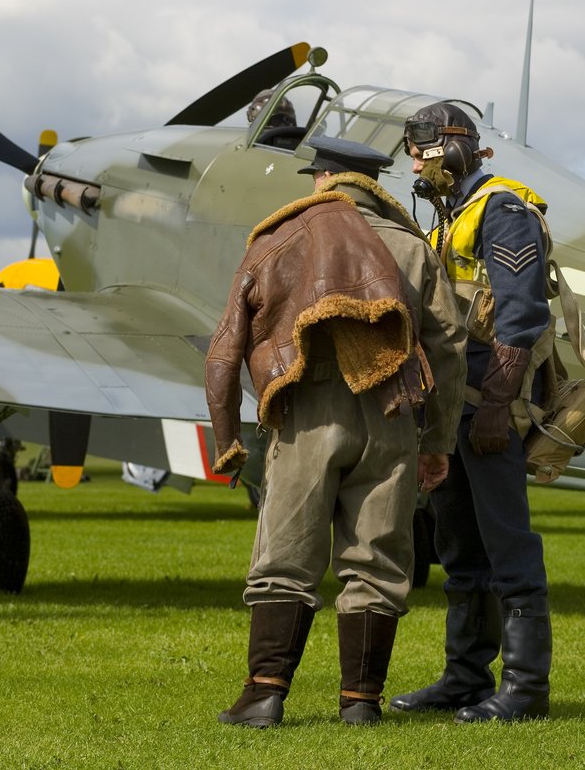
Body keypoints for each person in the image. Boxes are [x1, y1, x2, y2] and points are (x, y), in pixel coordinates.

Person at [205, 136, 467, 729]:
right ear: (373, 182)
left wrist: (227, 438)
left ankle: (264, 696)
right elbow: (448, 349)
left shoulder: (276, 237)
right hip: (393, 414)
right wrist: (438, 441)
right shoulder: (410, 247)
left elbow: (224, 351)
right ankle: (361, 703)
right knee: (376, 562)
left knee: (285, 558)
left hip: (306, 413)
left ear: (323, 179)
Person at [389, 101, 553, 723]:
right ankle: (464, 677)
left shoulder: (502, 209)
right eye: (412, 149)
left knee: (507, 540)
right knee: (459, 546)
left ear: (458, 146)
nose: (415, 160)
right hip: (452, 406)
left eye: (424, 147)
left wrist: (499, 406)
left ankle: (526, 688)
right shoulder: (448, 218)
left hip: (490, 404)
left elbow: (520, 314)